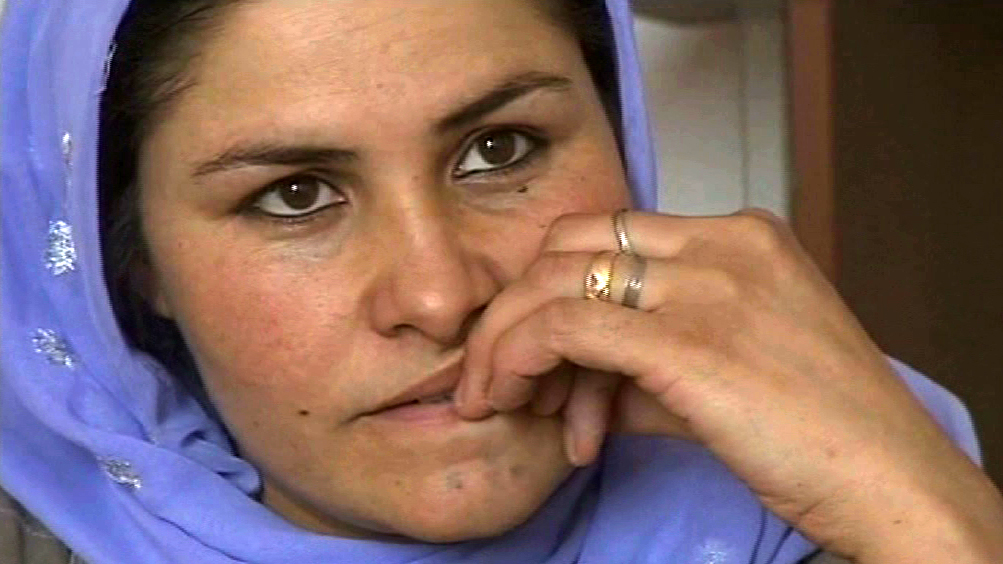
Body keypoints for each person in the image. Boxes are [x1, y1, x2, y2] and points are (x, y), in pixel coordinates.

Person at [2, 0, 1001, 562]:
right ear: (130, 263)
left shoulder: (827, 523)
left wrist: (932, 519)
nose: (441, 296)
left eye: (499, 149)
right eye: (294, 195)